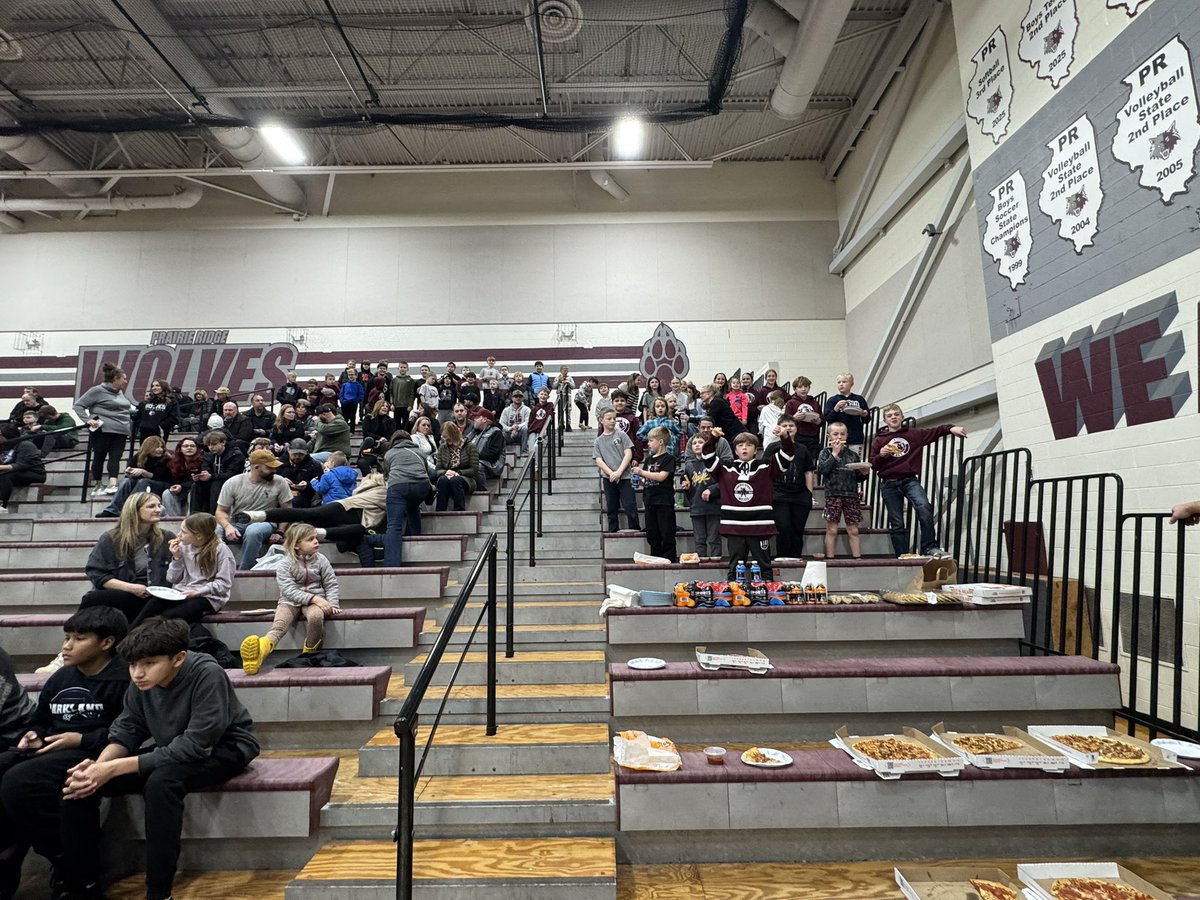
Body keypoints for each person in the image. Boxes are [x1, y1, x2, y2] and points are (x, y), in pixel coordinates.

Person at [56, 617, 259, 900]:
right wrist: (98, 769)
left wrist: (113, 768)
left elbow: (195, 746)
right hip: (173, 746)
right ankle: (81, 886)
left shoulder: (207, 673)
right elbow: (127, 730)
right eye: (132, 665)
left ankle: (159, 892)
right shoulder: (141, 681)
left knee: (162, 783)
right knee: (78, 786)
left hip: (225, 747)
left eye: (149, 663)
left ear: (178, 658)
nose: (138, 673)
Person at [0, 608, 129, 897]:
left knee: (19, 782)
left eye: (79, 639)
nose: (67, 646)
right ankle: (14, 854)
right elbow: (41, 720)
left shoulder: (123, 679)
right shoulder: (61, 678)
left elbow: (128, 731)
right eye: (67, 637)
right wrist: (33, 735)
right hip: (54, 748)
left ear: (106, 642)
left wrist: (81, 739)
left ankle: (68, 861)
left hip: (94, 751)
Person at [869, 404, 966, 558]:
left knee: (924, 507)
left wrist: (951, 428)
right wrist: (881, 455)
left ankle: (929, 547)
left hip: (909, 480)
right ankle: (902, 555)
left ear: (902, 417)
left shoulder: (914, 434)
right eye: (889, 415)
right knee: (897, 522)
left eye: (896, 414)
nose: (893, 417)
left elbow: (936, 431)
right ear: (885, 420)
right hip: (889, 483)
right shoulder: (879, 440)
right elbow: (873, 465)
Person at [241, 525, 340, 674]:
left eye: (316, 538)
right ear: (296, 545)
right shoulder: (284, 564)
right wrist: (314, 599)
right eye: (310, 539)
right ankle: (259, 653)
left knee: (316, 617)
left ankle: (308, 655)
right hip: (290, 601)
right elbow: (288, 590)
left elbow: (331, 583)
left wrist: (332, 604)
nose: (316, 541)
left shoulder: (322, 560)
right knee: (279, 626)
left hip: (315, 601)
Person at [699, 428, 796, 579]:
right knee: (735, 568)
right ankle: (735, 591)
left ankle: (767, 591)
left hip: (760, 526)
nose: (744, 448)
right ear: (735, 450)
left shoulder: (766, 467)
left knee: (764, 568)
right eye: (740, 445)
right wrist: (713, 438)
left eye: (749, 445)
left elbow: (788, 454)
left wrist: (784, 436)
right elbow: (707, 455)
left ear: (755, 450)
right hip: (734, 527)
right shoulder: (725, 468)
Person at [77, 491, 174, 624]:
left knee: (162, 603)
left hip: (156, 596)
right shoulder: (111, 538)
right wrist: (131, 588)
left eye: (159, 505)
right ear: (134, 511)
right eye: (151, 506)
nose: (158, 510)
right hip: (126, 592)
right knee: (93, 599)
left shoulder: (167, 538)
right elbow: (97, 574)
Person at [215, 449, 292, 569]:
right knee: (215, 530)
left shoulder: (279, 481)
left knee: (253, 531)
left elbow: (287, 510)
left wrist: (280, 531)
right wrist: (227, 526)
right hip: (238, 521)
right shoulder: (233, 482)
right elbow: (221, 511)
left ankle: (244, 572)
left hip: (266, 521)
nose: (274, 470)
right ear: (256, 467)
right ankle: (219, 566)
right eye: (270, 467)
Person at [74, 361, 133, 497]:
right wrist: (87, 420)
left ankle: (112, 483)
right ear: (115, 379)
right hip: (103, 429)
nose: (125, 381)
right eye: (123, 378)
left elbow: (124, 408)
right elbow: (78, 405)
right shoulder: (97, 390)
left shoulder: (120, 392)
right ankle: (98, 485)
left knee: (116, 457)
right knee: (99, 456)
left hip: (121, 430)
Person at [765, 415, 814, 560]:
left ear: (796, 428)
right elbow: (764, 470)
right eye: (784, 425)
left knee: (798, 528)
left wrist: (809, 494)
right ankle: (783, 558)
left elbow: (809, 471)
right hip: (778, 494)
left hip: (800, 495)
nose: (788, 428)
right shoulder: (772, 447)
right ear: (779, 428)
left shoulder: (803, 448)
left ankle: (796, 558)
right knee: (783, 526)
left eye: (791, 425)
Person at [383, 430, 435, 566]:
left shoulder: (389, 453)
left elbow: (386, 475)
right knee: (413, 510)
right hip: (421, 486)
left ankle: (392, 566)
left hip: (399, 486)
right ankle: (417, 553)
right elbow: (426, 471)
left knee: (394, 525)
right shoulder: (420, 452)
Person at [817, 421, 867, 559]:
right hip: (833, 494)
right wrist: (834, 454)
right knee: (832, 529)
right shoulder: (825, 452)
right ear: (829, 437)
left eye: (842, 434)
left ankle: (857, 557)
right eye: (835, 434)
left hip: (851, 494)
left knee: (853, 529)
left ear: (847, 435)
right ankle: (830, 558)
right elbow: (822, 470)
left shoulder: (853, 454)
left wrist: (864, 473)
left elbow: (858, 477)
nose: (839, 437)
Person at [97, 435, 172, 518]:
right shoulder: (139, 457)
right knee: (127, 481)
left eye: (162, 447)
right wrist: (130, 472)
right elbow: (130, 470)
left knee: (143, 481)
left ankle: (130, 510)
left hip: (164, 485)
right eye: (157, 447)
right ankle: (113, 509)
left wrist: (142, 472)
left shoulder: (167, 459)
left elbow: (160, 476)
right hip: (142, 484)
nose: (160, 449)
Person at [632, 426, 677, 562]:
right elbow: (647, 479)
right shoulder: (648, 460)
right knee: (652, 534)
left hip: (664, 501)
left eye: (651, 441)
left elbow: (661, 476)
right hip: (650, 500)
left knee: (666, 533)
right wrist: (639, 480)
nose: (649, 444)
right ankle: (655, 559)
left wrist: (641, 472)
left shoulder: (669, 459)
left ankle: (669, 559)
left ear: (661, 442)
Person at [594, 409, 640, 533]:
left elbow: (628, 453)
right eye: (609, 419)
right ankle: (613, 531)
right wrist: (611, 473)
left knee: (630, 505)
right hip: (608, 478)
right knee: (611, 507)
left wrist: (619, 472)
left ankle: (635, 529)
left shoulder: (622, 435)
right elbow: (598, 460)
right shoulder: (598, 441)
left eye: (614, 418)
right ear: (601, 420)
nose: (612, 421)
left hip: (625, 476)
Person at [682, 435, 721, 559]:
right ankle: (701, 562)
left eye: (700, 442)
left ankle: (716, 562)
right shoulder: (689, 466)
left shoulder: (715, 462)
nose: (697, 445)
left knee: (714, 538)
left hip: (713, 507)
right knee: (699, 539)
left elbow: (724, 482)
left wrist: (712, 490)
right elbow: (687, 487)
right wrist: (686, 488)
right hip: (696, 507)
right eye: (694, 443)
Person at [192, 430, 245, 515]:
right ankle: (194, 515)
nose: (211, 447)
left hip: (232, 483)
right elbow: (206, 470)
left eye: (214, 444)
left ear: (223, 442)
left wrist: (212, 476)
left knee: (217, 483)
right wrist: (200, 477)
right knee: (196, 485)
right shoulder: (208, 456)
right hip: (214, 481)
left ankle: (215, 515)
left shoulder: (235, 455)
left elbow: (232, 474)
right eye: (209, 445)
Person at [0, 424, 46, 514]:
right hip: (16, 471)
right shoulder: (6, 446)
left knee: (4, 475)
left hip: (33, 472)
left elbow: (21, 465)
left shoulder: (25, 445)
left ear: (8, 435)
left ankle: (2, 505)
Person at [434, 422, 478, 512]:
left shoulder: (470, 446)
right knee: (442, 480)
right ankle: (440, 512)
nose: (446, 440)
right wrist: (445, 472)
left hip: (466, 478)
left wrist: (459, 473)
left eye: (448, 437)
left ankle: (459, 511)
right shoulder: (442, 448)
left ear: (454, 434)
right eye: (444, 437)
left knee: (455, 480)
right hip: (447, 475)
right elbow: (438, 470)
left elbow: (474, 469)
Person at [823, 372, 871, 453]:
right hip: (837, 439)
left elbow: (867, 419)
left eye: (844, 382)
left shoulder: (859, 399)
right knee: (838, 459)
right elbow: (828, 418)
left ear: (851, 384)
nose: (841, 384)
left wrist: (864, 414)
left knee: (855, 459)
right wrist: (836, 409)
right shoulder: (832, 400)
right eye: (839, 382)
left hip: (855, 437)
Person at [161, 436, 202, 517]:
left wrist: (182, 486)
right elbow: (171, 479)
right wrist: (174, 487)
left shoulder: (203, 461)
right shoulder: (173, 462)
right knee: (167, 493)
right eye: (186, 446)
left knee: (193, 491)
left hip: (196, 488)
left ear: (197, 448)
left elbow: (199, 481)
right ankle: (173, 519)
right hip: (179, 490)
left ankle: (190, 519)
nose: (189, 448)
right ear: (180, 449)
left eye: (192, 446)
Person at [784, 377, 824, 458]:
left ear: (809, 388)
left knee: (812, 459)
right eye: (800, 387)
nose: (803, 389)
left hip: (813, 437)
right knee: (799, 459)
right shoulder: (790, 403)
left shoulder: (815, 403)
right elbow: (785, 421)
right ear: (795, 389)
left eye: (806, 386)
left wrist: (819, 421)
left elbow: (822, 420)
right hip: (798, 437)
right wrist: (794, 418)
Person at [526, 387, 555, 452]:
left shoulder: (549, 406)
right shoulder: (534, 408)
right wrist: (529, 430)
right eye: (541, 394)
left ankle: (537, 459)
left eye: (545, 395)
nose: (543, 396)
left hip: (542, 431)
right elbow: (530, 421)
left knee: (538, 448)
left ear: (548, 397)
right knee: (531, 450)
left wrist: (545, 430)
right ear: (538, 395)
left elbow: (550, 416)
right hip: (533, 430)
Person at [553, 366, 575, 431]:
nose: (566, 372)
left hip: (568, 396)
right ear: (561, 371)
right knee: (560, 411)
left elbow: (573, 386)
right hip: (560, 396)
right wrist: (559, 381)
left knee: (568, 411)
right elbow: (554, 386)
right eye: (564, 370)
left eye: (567, 370)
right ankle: (561, 424)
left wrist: (568, 382)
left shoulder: (570, 378)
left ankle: (568, 424)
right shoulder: (557, 378)